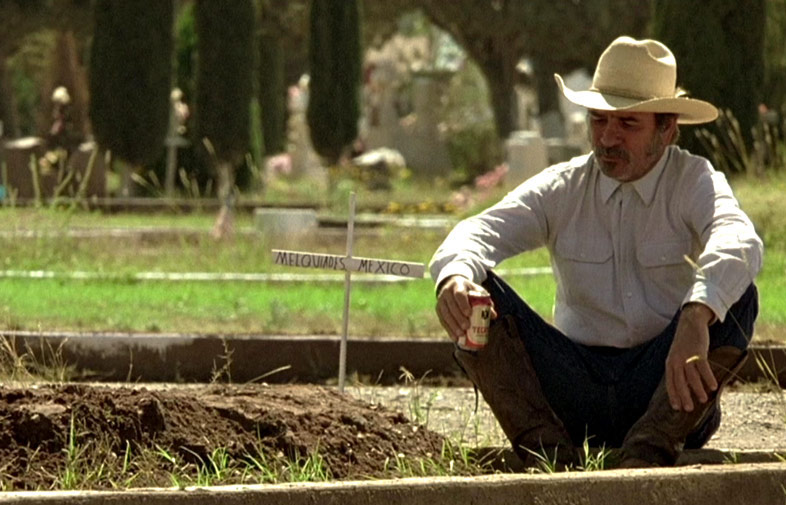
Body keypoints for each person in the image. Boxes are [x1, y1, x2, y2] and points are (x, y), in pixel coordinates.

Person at [429, 36, 762, 468]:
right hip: (572, 387)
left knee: (738, 298)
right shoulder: (563, 186)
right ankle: (547, 455)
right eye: (598, 120)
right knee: (474, 289)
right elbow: (476, 232)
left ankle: (645, 456)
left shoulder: (692, 179)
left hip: (665, 387)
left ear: (668, 129)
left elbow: (739, 238)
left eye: (627, 124)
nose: (607, 137)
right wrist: (455, 279)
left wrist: (697, 314)